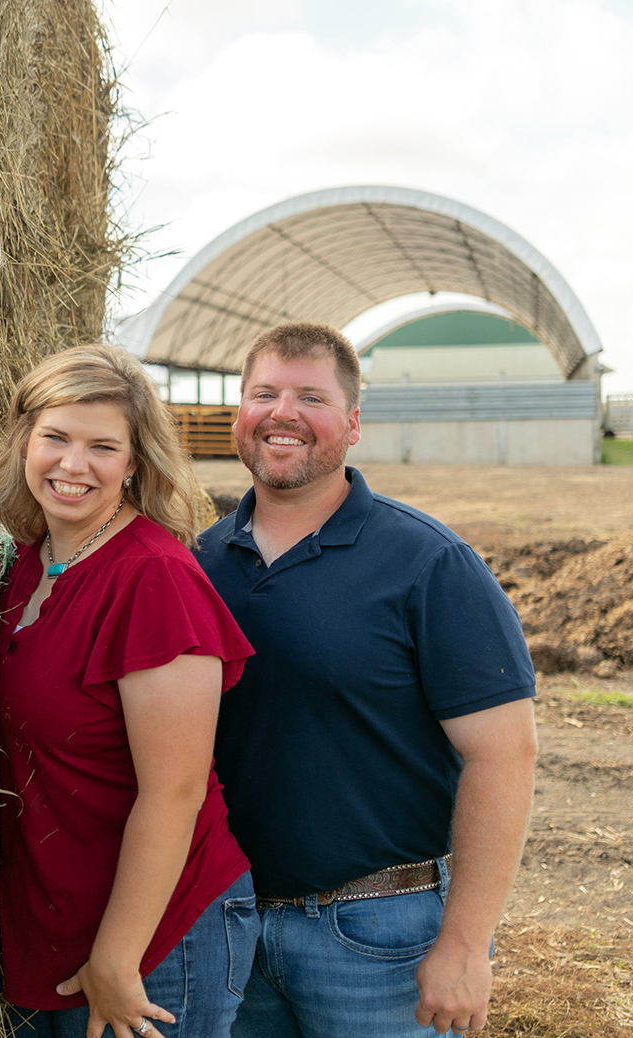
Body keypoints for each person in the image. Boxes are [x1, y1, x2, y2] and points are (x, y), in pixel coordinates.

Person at [195, 322, 538, 1037]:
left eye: (311, 397)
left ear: (352, 425)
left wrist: (466, 942)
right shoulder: (198, 562)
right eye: (265, 393)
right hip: (231, 927)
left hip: (381, 937)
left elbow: (503, 754)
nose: (283, 412)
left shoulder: (428, 563)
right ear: (241, 413)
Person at [0, 343, 260, 1038]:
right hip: (48, 922)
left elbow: (175, 791)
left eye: (102, 446)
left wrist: (117, 953)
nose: (73, 466)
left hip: (156, 937)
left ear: (135, 461)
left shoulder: (154, 579)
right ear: (25, 443)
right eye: (55, 439)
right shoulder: (27, 561)